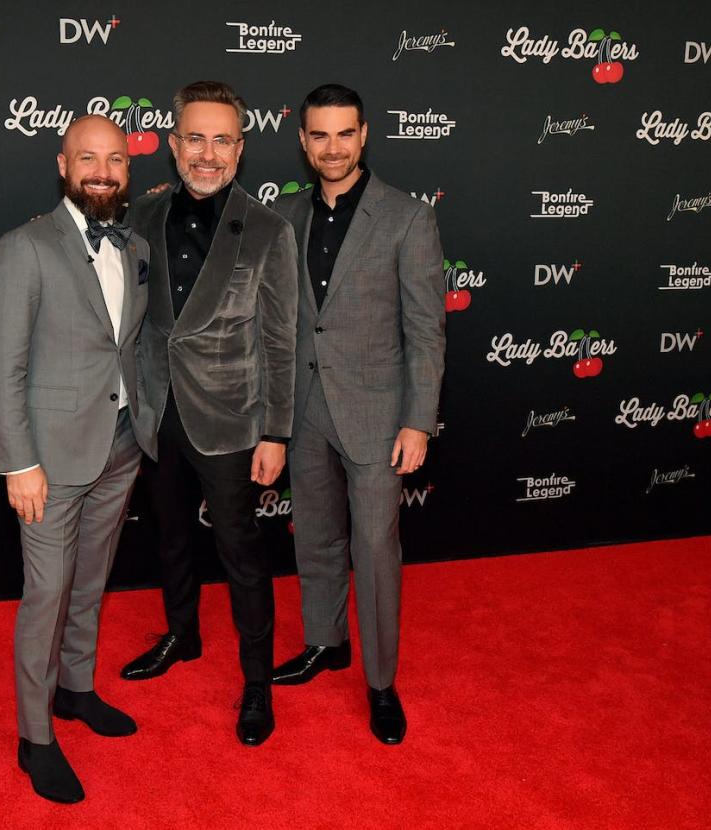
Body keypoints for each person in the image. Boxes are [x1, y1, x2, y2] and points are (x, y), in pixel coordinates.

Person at [120, 81, 299, 747]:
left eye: (222, 140)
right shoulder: (140, 216)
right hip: (156, 410)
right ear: (172, 144)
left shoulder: (269, 230)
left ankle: (256, 683)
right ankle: (182, 635)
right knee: (169, 537)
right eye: (195, 137)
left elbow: (281, 340)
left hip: (229, 419)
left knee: (241, 554)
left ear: (240, 149)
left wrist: (276, 431)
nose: (207, 152)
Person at [0, 115, 151, 803]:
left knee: (90, 580)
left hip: (118, 444)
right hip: (47, 460)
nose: (102, 170)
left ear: (128, 170)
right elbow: (1, 368)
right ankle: (34, 736)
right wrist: (19, 463)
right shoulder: (24, 248)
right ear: (63, 164)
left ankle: (75, 690)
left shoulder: (134, 245)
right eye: (88, 158)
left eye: (115, 158)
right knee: (46, 595)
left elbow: (127, 347)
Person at [270, 84, 446, 745]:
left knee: (374, 551)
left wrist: (417, 420)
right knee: (315, 539)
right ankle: (326, 643)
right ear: (303, 140)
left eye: (345, 134)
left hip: (377, 413)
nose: (333, 148)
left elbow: (426, 330)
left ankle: (379, 682)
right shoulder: (287, 216)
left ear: (364, 135)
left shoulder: (406, 218)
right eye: (320, 136)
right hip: (306, 409)